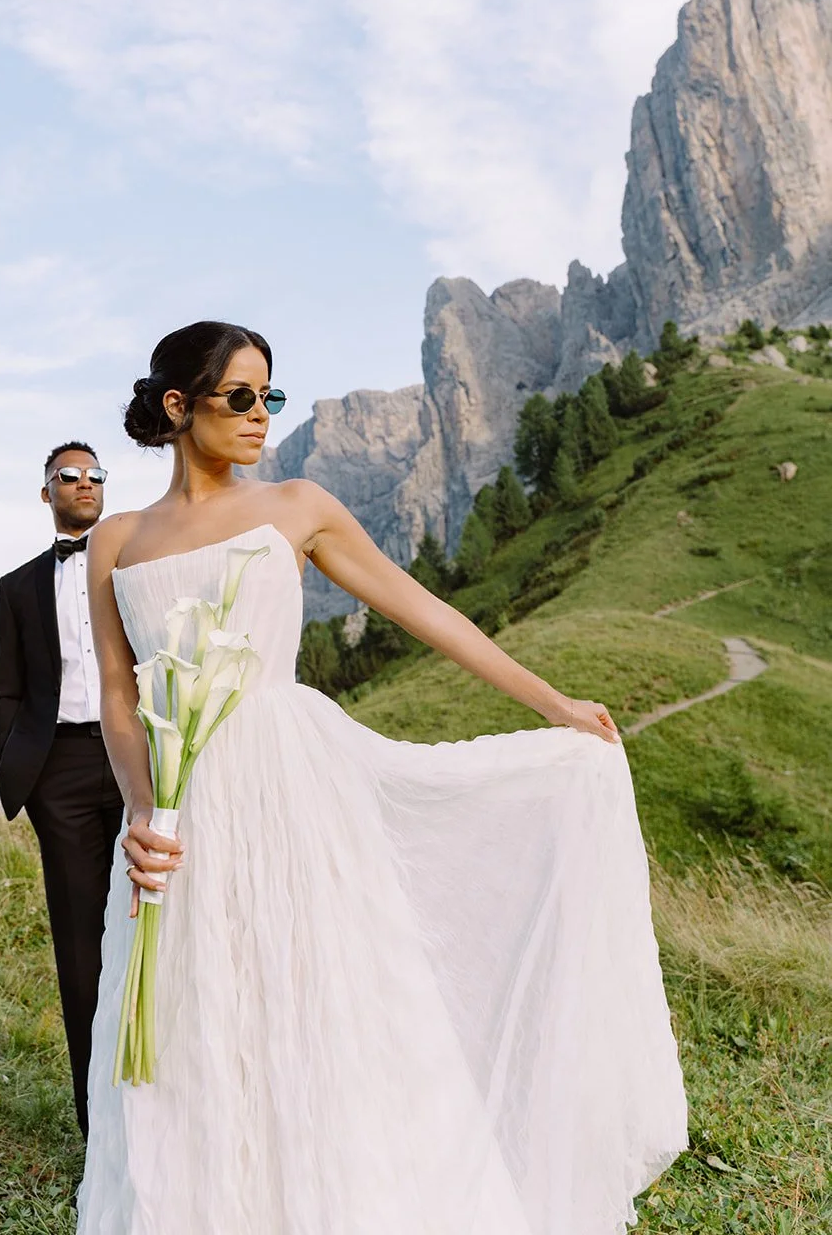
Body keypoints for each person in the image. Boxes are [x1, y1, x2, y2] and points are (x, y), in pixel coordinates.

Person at [76, 324, 687, 1234]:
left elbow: (425, 610)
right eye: (238, 397)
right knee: (185, 1020)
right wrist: (142, 815)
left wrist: (553, 703)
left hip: (288, 786)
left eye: (267, 398)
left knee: (318, 1002)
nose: (258, 417)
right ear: (178, 405)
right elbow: (119, 696)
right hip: (180, 810)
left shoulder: (297, 506)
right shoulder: (115, 542)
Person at [0, 442, 125, 1140]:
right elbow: (5, 688)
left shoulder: (138, 559)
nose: (83, 484)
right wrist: (24, 766)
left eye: (94, 475)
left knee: (160, 924)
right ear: (47, 494)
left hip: (139, 763)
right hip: (60, 773)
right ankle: (97, 1122)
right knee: (81, 947)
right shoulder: (16, 587)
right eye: (67, 477)